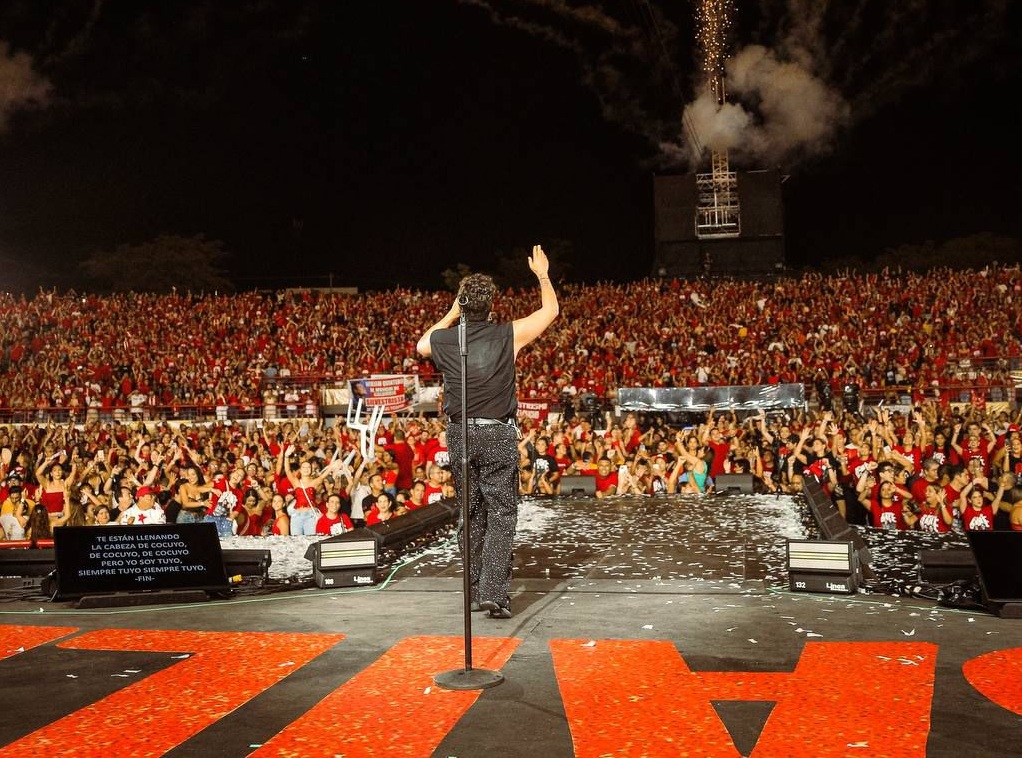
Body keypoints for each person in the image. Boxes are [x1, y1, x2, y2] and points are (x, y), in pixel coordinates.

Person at [416, 244, 558, 619]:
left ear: (463, 306)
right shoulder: (507, 334)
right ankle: (493, 592)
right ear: (492, 306)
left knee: (472, 512)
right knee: (501, 513)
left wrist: (451, 313)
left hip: (460, 433)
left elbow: (421, 344)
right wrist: (542, 274)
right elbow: (551, 311)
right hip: (496, 433)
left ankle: (477, 588)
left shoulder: (446, 340)